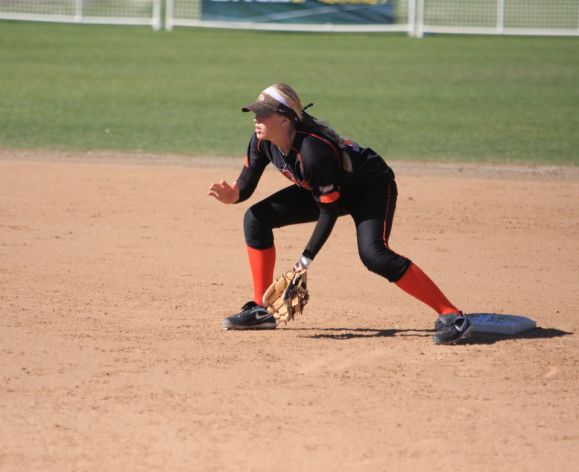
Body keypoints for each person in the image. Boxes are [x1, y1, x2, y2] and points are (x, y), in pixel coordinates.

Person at [208, 83, 471, 344]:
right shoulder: (262, 142)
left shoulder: (311, 152)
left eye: (264, 113)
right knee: (255, 219)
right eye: (255, 112)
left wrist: (304, 262)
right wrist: (231, 195)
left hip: (371, 186)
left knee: (374, 255)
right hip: (325, 187)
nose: (256, 119)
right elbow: (245, 185)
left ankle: (452, 315)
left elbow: (329, 211)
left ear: (285, 118)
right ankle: (260, 309)